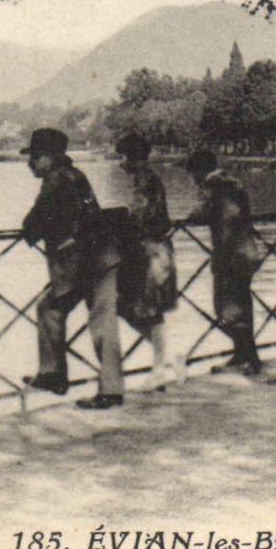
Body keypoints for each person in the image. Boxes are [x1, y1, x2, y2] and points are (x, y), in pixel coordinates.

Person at [18, 127, 124, 410]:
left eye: (35, 157)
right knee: (53, 309)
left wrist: (30, 230)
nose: (30, 163)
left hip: (84, 263)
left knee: (96, 321)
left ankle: (104, 390)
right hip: (101, 257)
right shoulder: (76, 176)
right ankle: (54, 374)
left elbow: (34, 224)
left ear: (51, 157)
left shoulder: (54, 180)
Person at [113, 134, 182, 390]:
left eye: (122, 156)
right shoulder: (149, 179)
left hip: (149, 253)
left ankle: (159, 369)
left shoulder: (144, 181)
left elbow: (137, 219)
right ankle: (168, 357)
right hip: (158, 251)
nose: (120, 163)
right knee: (143, 310)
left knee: (143, 310)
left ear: (132, 157)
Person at [186, 149, 262, 376]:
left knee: (227, 306)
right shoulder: (234, 182)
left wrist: (194, 213)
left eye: (193, 174)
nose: (193, 179)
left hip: (229, 254)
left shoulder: (211, 184)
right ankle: (244, 355)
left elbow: (199, 214)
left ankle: (249, 358)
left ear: (199, 170)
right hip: (247, 249)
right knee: (241, 304)